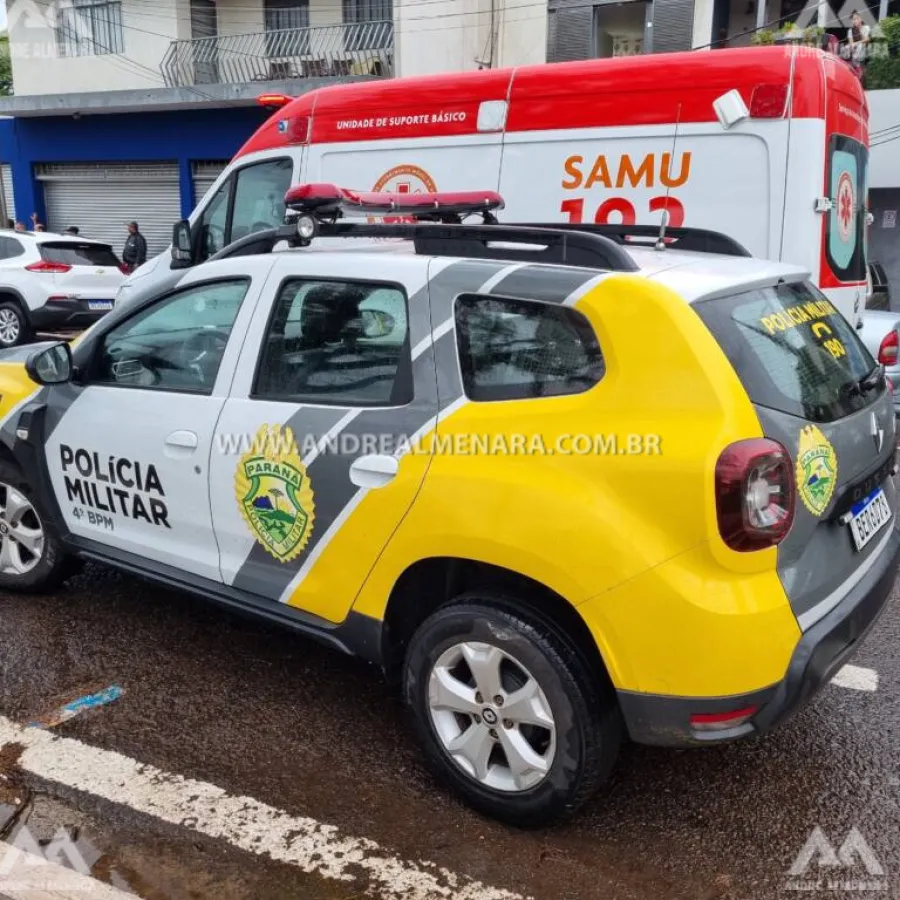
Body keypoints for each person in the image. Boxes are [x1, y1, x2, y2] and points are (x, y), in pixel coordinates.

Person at [847, 10, 871, 81]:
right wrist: (853, 46)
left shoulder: (866, 28)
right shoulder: (850, 31)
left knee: (860, 45)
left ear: (861, 19)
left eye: (857, 19)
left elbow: (866, 40)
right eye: (853, 19)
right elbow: (851, 43)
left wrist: (859, 30)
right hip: (855, 54)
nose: (855, 21)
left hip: (864, 52)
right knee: (849, 47)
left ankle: (858, 68)